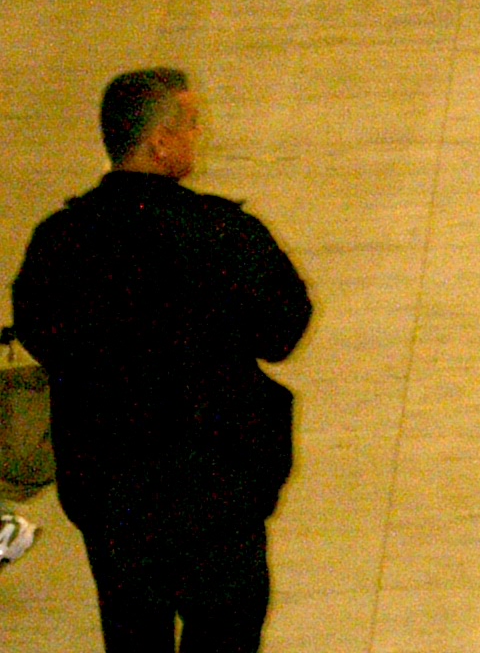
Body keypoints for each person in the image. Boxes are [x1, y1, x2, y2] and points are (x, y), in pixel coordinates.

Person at [11, 68, 312, 653]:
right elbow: (282, 331)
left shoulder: (60, 241)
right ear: (160, 143)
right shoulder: (222, 233)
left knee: (132, 635)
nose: (200, 136)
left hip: (112, 492)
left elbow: (40, 333)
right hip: (217, 487)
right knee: (225, 633)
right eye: (192, 125)